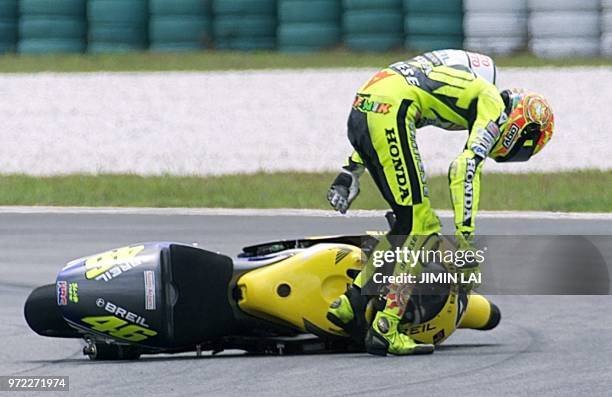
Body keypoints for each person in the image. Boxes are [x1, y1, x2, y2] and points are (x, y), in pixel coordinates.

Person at [326, 49, 554, 356]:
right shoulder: (492, 104)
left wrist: (351, 170)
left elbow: (377, 116)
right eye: (524, 149)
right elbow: (464, 168)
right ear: (520, 129)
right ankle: (386, 328)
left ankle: (349, 305)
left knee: (406, 223)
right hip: (389, 111)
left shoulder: (448, 84)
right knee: (423, 228)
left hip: (365, 106)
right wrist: (464, 240)